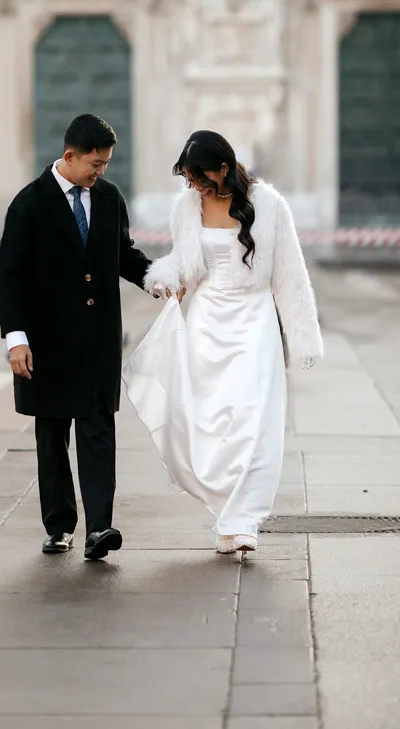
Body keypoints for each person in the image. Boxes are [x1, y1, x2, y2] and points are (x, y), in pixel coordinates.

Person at [123, 130, 323, 555]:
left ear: (224, 168)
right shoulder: (186, 207)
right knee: (207, 421)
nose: (194, 184)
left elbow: (290, 272)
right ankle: (223, 509)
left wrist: (303, 334)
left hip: (254, 322)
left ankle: (243, 522)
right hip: (206, 321)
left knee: (254, 421)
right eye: (189, 178)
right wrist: (167, 278)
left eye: (200, 176)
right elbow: (185, 261)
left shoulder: (269, 206)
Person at [0, 114, 152, 560]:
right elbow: (9, 278)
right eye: (95, 163)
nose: (101, 171)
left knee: (99, 431)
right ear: (69, 156)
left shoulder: (108, 198)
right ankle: (59, 525)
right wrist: (16, 339)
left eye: (106, 164)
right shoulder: (29, 203)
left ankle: (100, 527)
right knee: (52, 437)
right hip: (46, 345)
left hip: (99, 341)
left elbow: (123, 254)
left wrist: (158, 279)